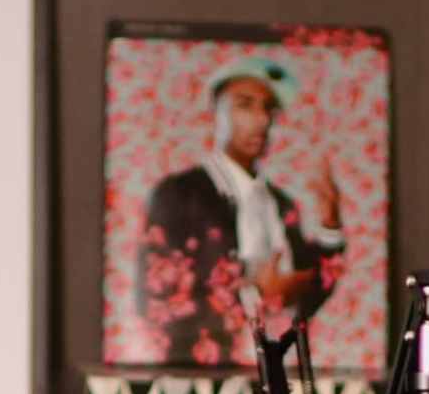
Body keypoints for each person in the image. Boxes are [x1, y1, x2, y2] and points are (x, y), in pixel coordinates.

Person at [137, 52, 347, 367]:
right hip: (204, 381)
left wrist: (330, 226)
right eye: (245, 105)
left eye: (268, 109)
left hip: (277, 377)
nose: (261, 120)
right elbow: (156, 302)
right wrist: (259, 296)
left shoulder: (280, 204)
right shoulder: (180, 194)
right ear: (216, 112)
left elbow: (309, 296)